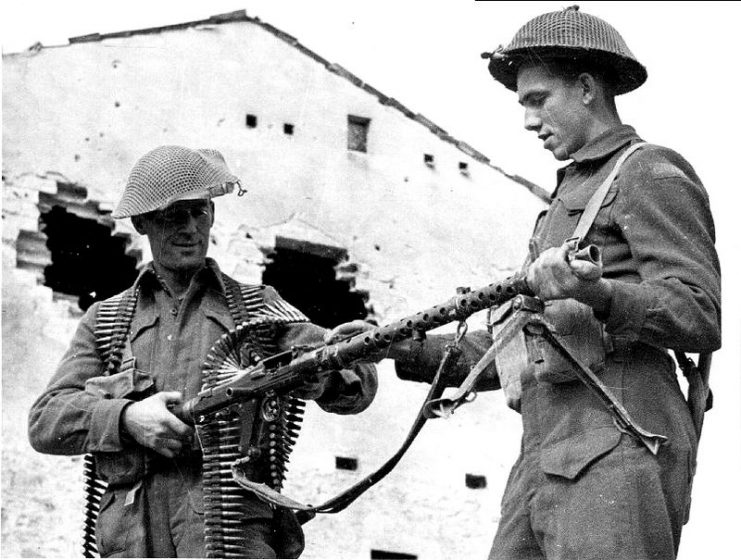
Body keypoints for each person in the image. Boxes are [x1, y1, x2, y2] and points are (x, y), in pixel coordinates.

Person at [329, 6, 720, 560]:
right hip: (542, 459)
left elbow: (700, 313)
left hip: (618, 450)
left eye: (539, 100)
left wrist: (598, 294)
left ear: (586, 88)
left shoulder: (648, 172)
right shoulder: (559, 207)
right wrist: (397, 346)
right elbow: (515, 348)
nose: (529, 120)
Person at [28, 145, 378, 558]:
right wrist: (127, 418)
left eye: (201, 212)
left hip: (229, 533)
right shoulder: (106, 321)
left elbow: (357, 376)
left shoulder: (257, 309)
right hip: (131, 537)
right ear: (143, 223)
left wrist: (324, 378)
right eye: (175, 214)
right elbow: (46, 420)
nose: (192, 228)